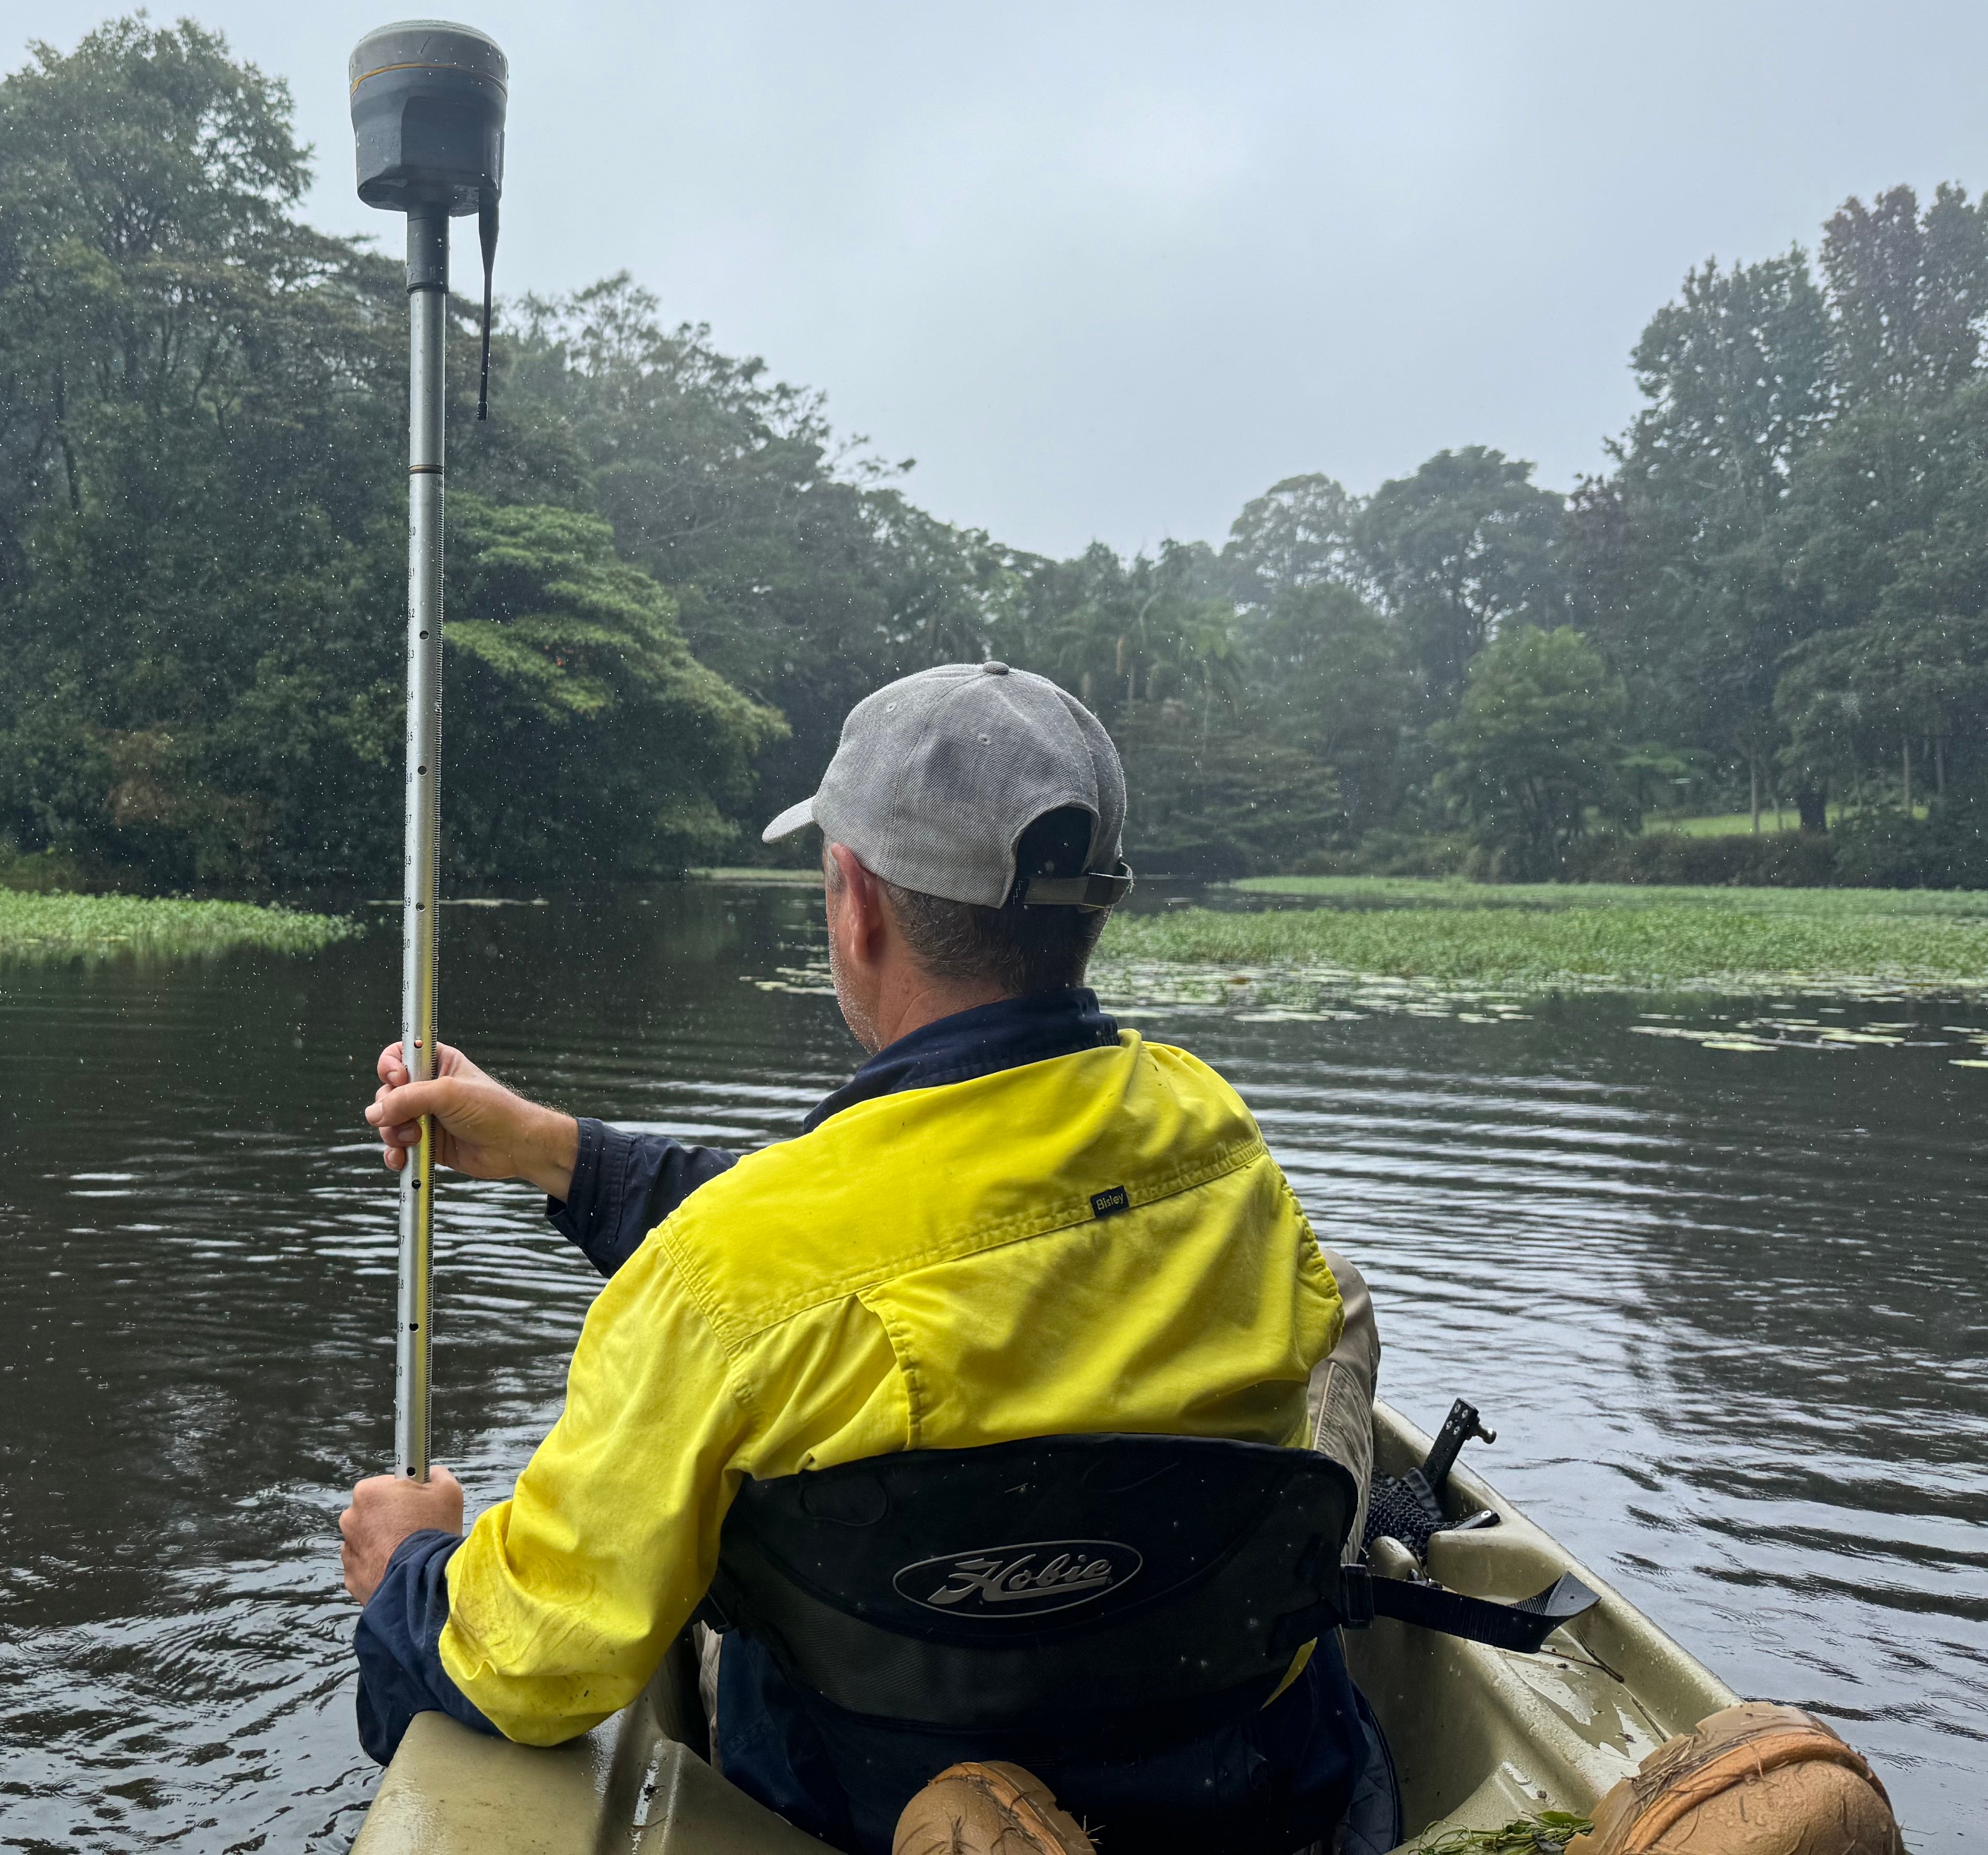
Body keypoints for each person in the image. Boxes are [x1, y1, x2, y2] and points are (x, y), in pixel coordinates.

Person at [336, 661, 1386, 1854]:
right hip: (1215, 1761)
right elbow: (899, 1222)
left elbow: (527, 1663)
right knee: (1335, 1292)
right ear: (1093, 907)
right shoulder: (1215, 1140)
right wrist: (558, 1152)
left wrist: (416, 1563)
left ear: (856, 903)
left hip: (852, 1793)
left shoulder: (726, 1274)